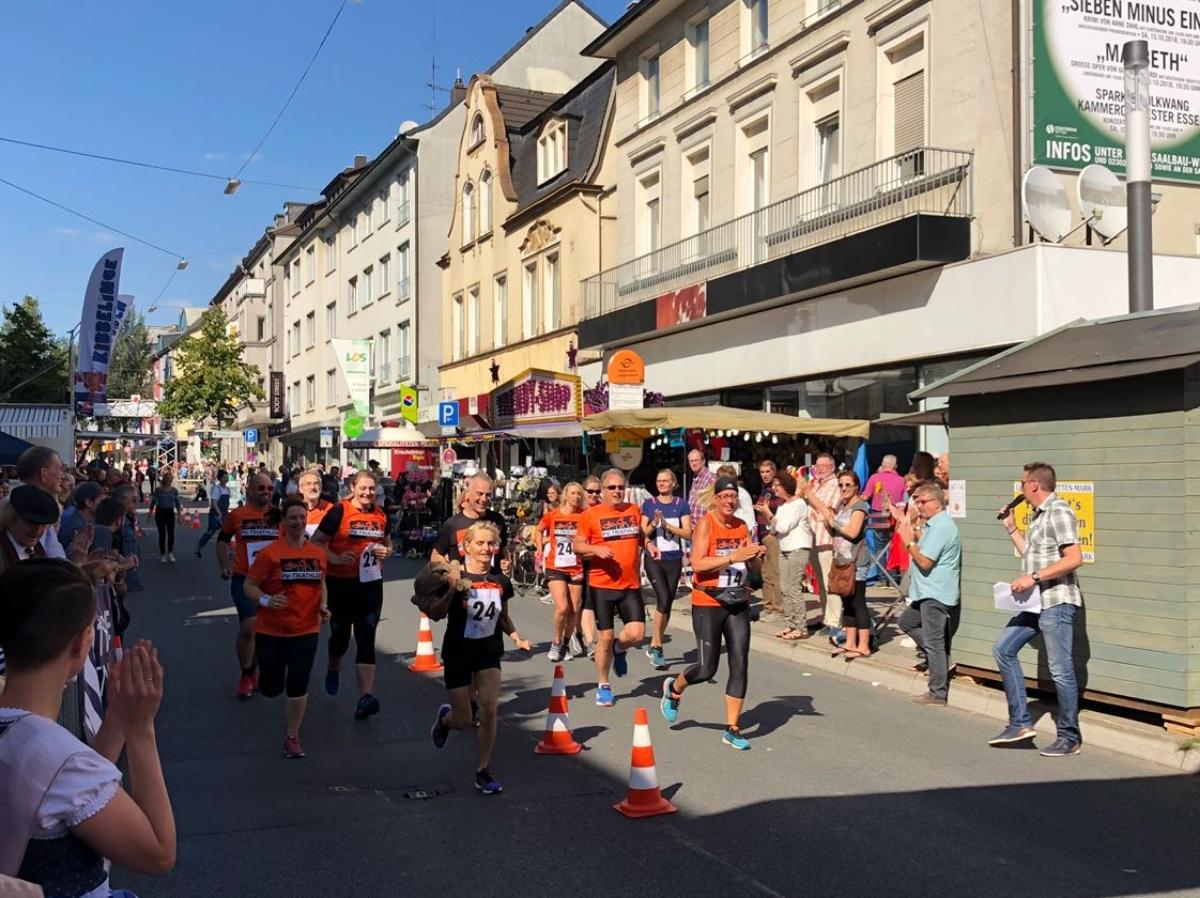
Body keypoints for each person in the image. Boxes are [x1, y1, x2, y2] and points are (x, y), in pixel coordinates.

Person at [0, 560, 176, 895]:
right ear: (82, 643)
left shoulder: (45, 751)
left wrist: (118, 717)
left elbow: (64, 785)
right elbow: (158, 853)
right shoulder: (61, 760)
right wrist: (140, 729)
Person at [660, 475, 763, 750]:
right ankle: (674, 689)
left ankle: (732, 728)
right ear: (716, 499)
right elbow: (698, 564)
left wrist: (755, 557)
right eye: (725, 496)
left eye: (733, 496)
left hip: (737, 601)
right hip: (708, 601)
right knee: (707, 668)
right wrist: (732, 557)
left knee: (740, 662)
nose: (729, 501)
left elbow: (753, 568)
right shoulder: (706, 523)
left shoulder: (741, 526)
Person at [429, 520, 533, 794]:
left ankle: (483, 771)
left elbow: (502, 616)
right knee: (464, 719)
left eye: (491, 543)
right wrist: (451, 589)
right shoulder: (453, 577)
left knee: (488, 709)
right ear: (466, 547)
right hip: (458, 650)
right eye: (480, 543)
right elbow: (436, 613)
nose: (486, 548)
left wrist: (516, 638)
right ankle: (446, 720)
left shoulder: (501, 581)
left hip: (488, 649)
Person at [991, 462, 1085, 756]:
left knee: (1060, 670)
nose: (1020, 489)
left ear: (1034, 485)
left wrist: (1032, 577)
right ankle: (1020, 723)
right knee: (1003, 649)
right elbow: (1032, 555)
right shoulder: (1038, 515)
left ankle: (1069, 737)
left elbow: (1074, 558)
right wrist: (1012, 528)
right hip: (1034, 602)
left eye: (1022, 483)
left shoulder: (1059, 511)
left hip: (1056, 601)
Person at [243, 497, 330, 758]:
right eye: (293, 517)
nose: (298, 522)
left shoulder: (317, 554)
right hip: (272, 631)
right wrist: (267, 600)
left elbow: (321, 585)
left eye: (302, 517)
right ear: (283, 521)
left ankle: (292, 737)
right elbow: (249, 586)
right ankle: (260, 674)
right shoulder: (270, 554)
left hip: (306, 629)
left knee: (298, 682)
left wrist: (323, 606)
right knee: (271, 688)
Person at [311, 470, 391, 720]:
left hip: (370, 584)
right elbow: (316, 542)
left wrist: (387, 551)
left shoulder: (381, 514)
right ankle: (334, 667)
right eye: (363, 488)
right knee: (341, 637)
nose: (367, 493)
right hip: (341, 584)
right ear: (352, 488)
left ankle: (365, 697)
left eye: (372, 489)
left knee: (366, 637)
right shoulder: (339, 512)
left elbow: (388, 542)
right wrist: (335, 558)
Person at [573, 468, 653, 707]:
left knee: (637, 633)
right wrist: (595, 549)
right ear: (603, 491)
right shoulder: (590, 515)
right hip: (602, 585)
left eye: (620, 487)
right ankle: (603, 685)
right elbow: (578, 545)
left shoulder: (633, 510)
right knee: (605, 637)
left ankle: (619, 648)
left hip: (629, 584)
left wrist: (649, 544)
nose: (617, 491)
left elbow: (639, 535)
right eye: (612, 488)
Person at [895, 482, 962, 706]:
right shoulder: (934, 525)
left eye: (923, 502)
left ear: (936, 503)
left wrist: (908, 541)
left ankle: (937, 692)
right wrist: (907, 526)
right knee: (906, 622)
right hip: (926, 592)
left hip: (936, 593)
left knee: (934, 642)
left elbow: (924, 562)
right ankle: (940, 661)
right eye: (917, 501)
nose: (919, 505)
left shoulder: (942, 526)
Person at [216, 472, 281, 699]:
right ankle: (246, 674)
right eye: (261, 488)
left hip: (272, 581)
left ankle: (257, 670)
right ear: (250, 490)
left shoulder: (278, 515)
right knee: (249, 628)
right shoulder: (238, 515)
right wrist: (225, 565)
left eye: (270, 488)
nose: (266, 492)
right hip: (244, 578)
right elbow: (222, 540)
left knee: (266, 630)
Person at [807, 472, 870, 656]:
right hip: (841, 560)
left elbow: (852, 532)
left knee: (858, 602)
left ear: (856, 486)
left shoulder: (859, 506)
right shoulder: (843, 506)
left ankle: (864, 646)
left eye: (848, 485)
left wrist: (831, 520)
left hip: (855, 561)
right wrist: (827, 522)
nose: (844, 488)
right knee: (847, 602)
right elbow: (836, 530)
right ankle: (850, 643)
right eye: (841, 485)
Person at [640, 469, 691, 669]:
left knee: (667, 603)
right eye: (658, 481)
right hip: (654, 558)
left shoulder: (681, 504)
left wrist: (668, 526)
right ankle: (656, 645)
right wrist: (654, 523)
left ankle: (656, 642)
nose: (661, 484)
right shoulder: (649, 504)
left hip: (674, 559)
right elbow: (642, 533)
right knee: (662, 598)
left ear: (673, 483)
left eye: (665, 481)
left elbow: (688, 533)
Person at [535, 482, 584, 663]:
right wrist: (539, 548)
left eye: (579, 494)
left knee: (574, 610)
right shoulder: (553, 515)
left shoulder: (584, 516)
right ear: (565, 495)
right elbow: (538, 530)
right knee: (562, 607)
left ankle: (565, 643)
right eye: (573, 493)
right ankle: (556, 642)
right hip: (556, 566)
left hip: (576, 567)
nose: (576, 497)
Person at [759, 470, 812, 640]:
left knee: (793, 588)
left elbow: (783, 527)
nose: (774, 488)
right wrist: (769, 516)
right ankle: (791, 623)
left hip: (798, 548)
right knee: (784, 588)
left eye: (777, 485)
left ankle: (801, 627)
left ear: (786, 486)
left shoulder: (799, 504)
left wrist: (769, 514)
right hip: (784, 548)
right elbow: (773, 528)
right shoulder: (782, 506)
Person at [431, 474, 508, 571]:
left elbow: (504, 549)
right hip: (463, 579)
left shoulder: (497, 520)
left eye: (488, 495)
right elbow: (435, 556)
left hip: (493, 580)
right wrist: (451, 570)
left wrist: (505, 562)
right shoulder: (452, 524)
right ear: (468, 494)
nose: (484, 499)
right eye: (479, 494)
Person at [805, 453, 842, 634]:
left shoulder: (835, 485)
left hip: (826, 539)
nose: (819, 469)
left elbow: (828, 510)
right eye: (817, 466)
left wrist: (809, 495)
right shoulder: (816, 484)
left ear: (832, 467)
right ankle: (826, 616)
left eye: (823, 466)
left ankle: (835, 621)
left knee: (830, 582)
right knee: (820, 581)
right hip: (813, 539)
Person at [13, 446, 66, 560]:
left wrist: (81, 566)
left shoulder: (43, 504)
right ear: (44, 473)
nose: (62, 475)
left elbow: (54, 555)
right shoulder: (17, 506)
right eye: (59, 469)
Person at [753, 458, 785, 621]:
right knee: (765, 572)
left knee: (774, 572)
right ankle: (768, 606)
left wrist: (766, 509)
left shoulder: (777, 489)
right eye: (762, 472)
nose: (765, 475)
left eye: (768, 471)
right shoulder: (764, 489)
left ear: (774, 472)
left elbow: (780, 506)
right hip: (763, 535)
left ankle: (778, 608)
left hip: (773, 534)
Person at [576, 474, 603, 657]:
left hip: (595, 561)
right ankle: (576, 632)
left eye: (597, 491)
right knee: (575, 603)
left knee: (589, 601)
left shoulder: (603, 509)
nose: (593, 494)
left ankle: (590, 640)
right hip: (574, 562)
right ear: (583, 491)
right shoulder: (576, 509)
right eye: (590, 491)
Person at [195, 469, 231, 557]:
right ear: (220, 479)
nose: (226, 480)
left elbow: (227, 502)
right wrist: (219, 513)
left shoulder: (227, 489)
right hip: (215, 514)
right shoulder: (217, 489)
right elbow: (214, 503)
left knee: (227, 532)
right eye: (224, 478)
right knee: (210, 532)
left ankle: (227, 550)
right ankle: (198, 547)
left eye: (227, 478)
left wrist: (227, 511)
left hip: (224, 513)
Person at [149, 470, 182, 563]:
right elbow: (153, 502)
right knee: (162, 534)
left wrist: (179, 515)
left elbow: (177, 504)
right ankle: (163, 554)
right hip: (160, 512)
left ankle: (170, 552)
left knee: (171, 533)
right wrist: (150, 513)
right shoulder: (158, 490)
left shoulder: (174, 491)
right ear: (164, 479)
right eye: (167, 479)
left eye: (170, 479)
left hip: (170, 512)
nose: (169, 481)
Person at [298, 468, 334, 536]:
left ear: (321, 487)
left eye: (316, 483)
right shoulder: (292, 510)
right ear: (301, 489)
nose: (313, 487)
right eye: (308, 484)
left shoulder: (330, 509)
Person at [685, 448, 715, 525]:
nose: (694, 463)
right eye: (691, 461)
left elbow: (714, 505)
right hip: (695, 527)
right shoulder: (696, 478)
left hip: (705, 527)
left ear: (703, 461)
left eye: (696, 460)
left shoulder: (710, 478)